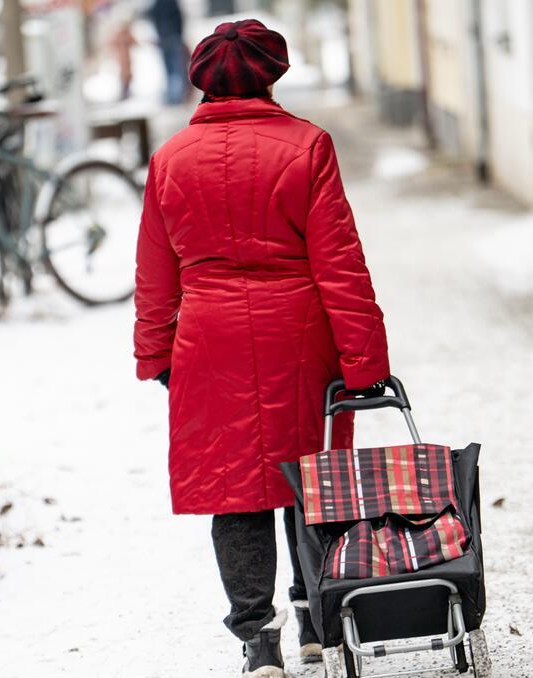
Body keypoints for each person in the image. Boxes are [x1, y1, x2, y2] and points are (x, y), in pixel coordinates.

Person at [132, 19, 390, 678]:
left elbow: (156, 272)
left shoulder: (169, 160)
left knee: (233, 492)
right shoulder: (307, 147)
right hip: (298, 338)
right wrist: (365, 361)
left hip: (208, 340)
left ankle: (257, 642)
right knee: (311, 486)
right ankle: (313, 622)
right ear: (272, 74)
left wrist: (155, 353)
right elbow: (340, 263)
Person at [147, 0, 188, 104]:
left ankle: (174, 96)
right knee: (175, 67)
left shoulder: (157, 4)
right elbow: (178, 17)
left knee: (171, 68)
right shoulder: (170, 2)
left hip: (165, 37)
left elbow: (154, 17)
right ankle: (176, 96)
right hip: (172, 36)